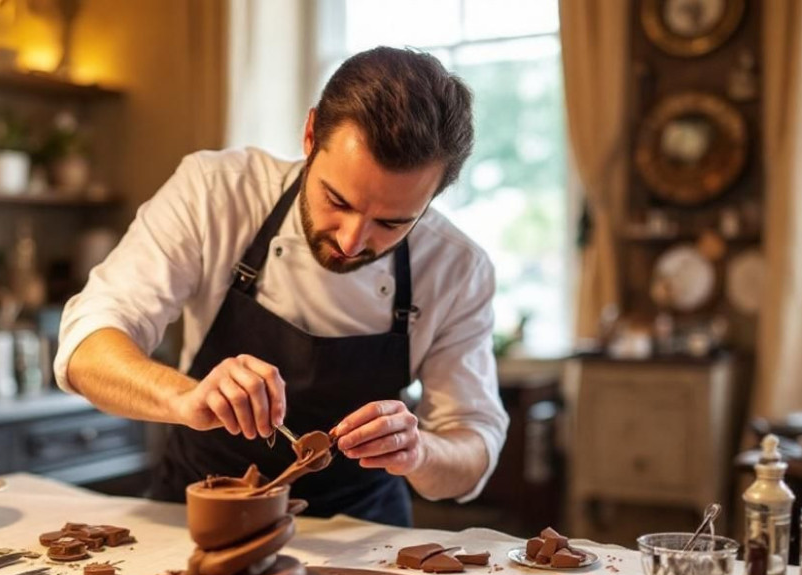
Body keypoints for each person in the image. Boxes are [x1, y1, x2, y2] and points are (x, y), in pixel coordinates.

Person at [54, 46, 508, 527]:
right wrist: (185, 398)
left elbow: (473, 447)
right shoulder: (218, 191)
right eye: (337, 200)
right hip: (199, 520)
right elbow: (87, 347)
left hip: (363, 537)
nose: (352, 242)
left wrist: (420, 451)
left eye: (392, 223)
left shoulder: (458, 268)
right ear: (311, 134)